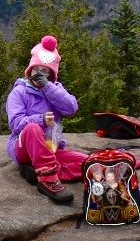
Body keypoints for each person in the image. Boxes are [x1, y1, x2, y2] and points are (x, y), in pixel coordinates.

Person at [7, 35, 84, 204]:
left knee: (86, 162)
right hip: (23, 146)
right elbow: (15, 124)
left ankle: (36, 170)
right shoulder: (20, 92)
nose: (39, 74)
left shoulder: (54, 89)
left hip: (51, 147)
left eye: (44, 71)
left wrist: (48, 87)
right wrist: (40, 119)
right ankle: (48, 181)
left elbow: (71, 108)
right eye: (36, 69)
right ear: (30, 70)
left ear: (51, 74)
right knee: (33, 128)